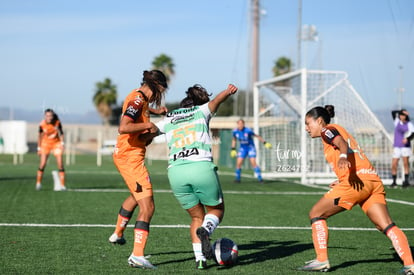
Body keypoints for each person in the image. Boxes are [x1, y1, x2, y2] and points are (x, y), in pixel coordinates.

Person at [298, 105, 414, 274]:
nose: (306, 128)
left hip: (355, 183)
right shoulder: (339, 129)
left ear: (320, 121)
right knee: (386, 225)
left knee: (316, 214)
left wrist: (344, 158)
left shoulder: (326, 130)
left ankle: (321, 260)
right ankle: (410, 264)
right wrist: (341, 177)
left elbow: (341, 144)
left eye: (308, 123)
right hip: (371, 180)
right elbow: (347, 149)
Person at [141, 84, 238, 269]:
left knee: (196, 217)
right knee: (216, 210)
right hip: (200, 167)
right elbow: (217, 100)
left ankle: (200, 260)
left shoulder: (169, 118)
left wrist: (141, 136)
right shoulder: (201, 111)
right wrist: (227, 91)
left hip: (176, 172)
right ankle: (207, 230)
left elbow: (149, 132)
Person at [107, 70, 168, 269]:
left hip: (128, 155)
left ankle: (117, 234)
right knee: (148, 207)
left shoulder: (140, 99)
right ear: (158, 86)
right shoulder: (137, 100)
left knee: (136, 196)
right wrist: (149, 125)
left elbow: (141, 126)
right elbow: (123, 127)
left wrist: (155, 118)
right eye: (162, 90)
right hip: (129, 157)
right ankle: (137, 255)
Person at [230, 119, 272, 183]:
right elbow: (234, 140)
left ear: (243, 124)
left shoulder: (248, 130)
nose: (240, 125)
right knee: (238, 163)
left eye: (241, 124)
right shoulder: (235, 131)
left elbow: (257, 136)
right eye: (239, 124)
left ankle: (260, 179)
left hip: (250, 148)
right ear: (237, 124)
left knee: (253, 163)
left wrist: (265, 143)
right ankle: (237, 179)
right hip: (243, 149)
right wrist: (233, 149)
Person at [36, 109, 66, 191]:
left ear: (53, 116)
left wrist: (62, 144)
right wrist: (38, 148)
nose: (49, 118)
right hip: (45, 144)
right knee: (43, 164)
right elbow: (39, 136)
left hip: (56, 143)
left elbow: (61, 133)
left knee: (60, 164)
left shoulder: (57, 123)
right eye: (47, 116)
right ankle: (38, 183)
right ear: (45, 116)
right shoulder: (42, 124)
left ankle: (63, 185)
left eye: (51, 116)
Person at [391, 109, 414, 188]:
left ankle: (406, 181)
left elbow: (412, 134)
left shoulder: (409, 124)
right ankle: (394, 181)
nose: (402, 116)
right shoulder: (397, 122)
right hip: (397, 146)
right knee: (394, 163)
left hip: (405, 147)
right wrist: (402, 111)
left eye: (403, 115)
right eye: (401, 114)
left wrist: (407, 139)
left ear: (406, 116)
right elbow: (393, 112)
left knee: (405, 163)